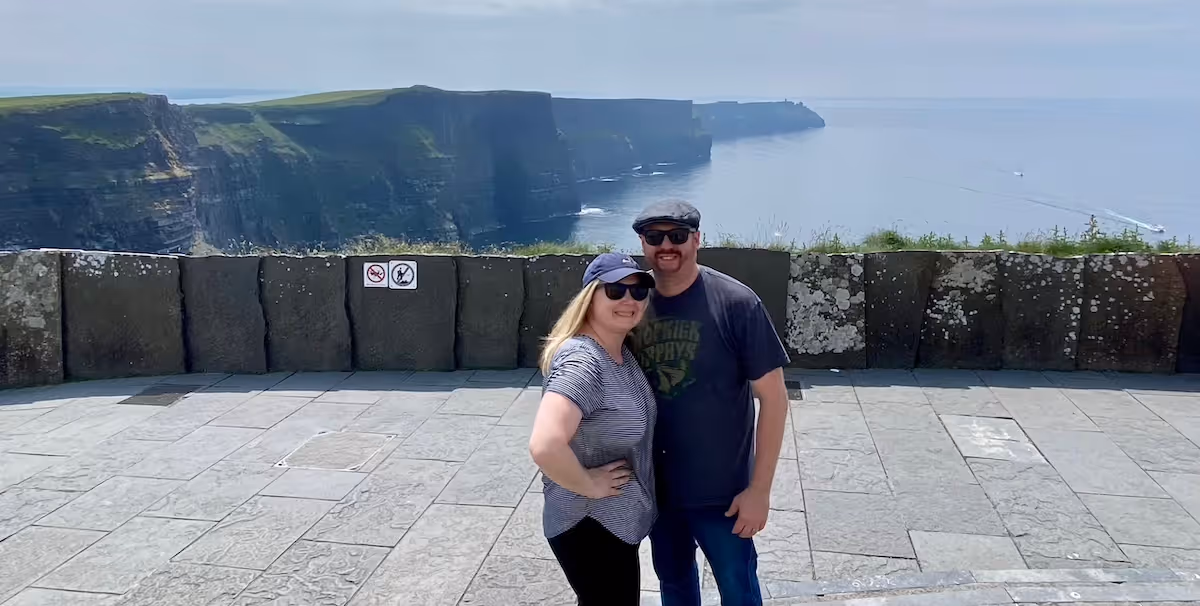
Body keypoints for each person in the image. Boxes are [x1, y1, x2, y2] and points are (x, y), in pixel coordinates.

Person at [631, 200, 791, 606]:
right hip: (659, 491)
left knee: (739, 591)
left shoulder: (737, 304)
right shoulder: (630, 304)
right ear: (643, 244)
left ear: (698, 240)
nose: (667, 245)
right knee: (675, 587)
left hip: (723, 494)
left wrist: (760, 490)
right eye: (655, 237)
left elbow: (773, 400)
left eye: (678, 236)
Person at [528, 252, 659, 606]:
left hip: (612, 523)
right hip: (589, 524)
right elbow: (545, 444)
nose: (629, 300)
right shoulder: (583, 361)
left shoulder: (619, 350)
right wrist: (588, 484)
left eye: (638, 291)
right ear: (590, 297)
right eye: (615, 291)